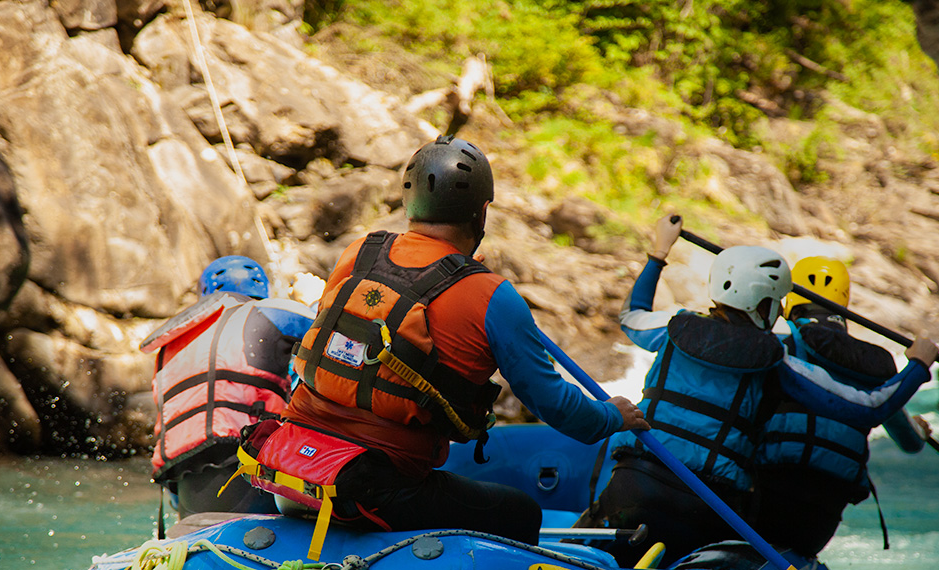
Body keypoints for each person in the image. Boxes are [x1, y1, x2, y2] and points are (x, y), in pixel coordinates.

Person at [246, 135, 648, 546]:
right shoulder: (492, 297)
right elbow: (560, 409)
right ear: (483, 211)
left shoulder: (360, 252)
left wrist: (461, 276)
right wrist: (613, 416)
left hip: (293, 469)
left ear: (409, 200)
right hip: (373, 490)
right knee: (522, 512)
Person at [577, 215, 939, 568]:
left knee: (585, 544)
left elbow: (631, 315)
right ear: (765, 306)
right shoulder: (776, 362)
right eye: (776, 302)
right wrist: (918, 367)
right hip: (709, 508)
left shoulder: (673, 327)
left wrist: (659, 252)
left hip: (633, 485)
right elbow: (870, 408)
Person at [752, 256, 928, 557]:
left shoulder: (773, 348)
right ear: (844, 303)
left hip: (763, 494)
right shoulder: (867, 364)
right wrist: (918, 431)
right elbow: (909, 443)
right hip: (822, 515)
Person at [140, 255, 315, 517]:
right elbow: (333, 331)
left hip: (181, 476)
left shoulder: (170, 343)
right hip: (246, 459)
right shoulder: (269, 312)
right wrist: (312, 297)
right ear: (260, 291)